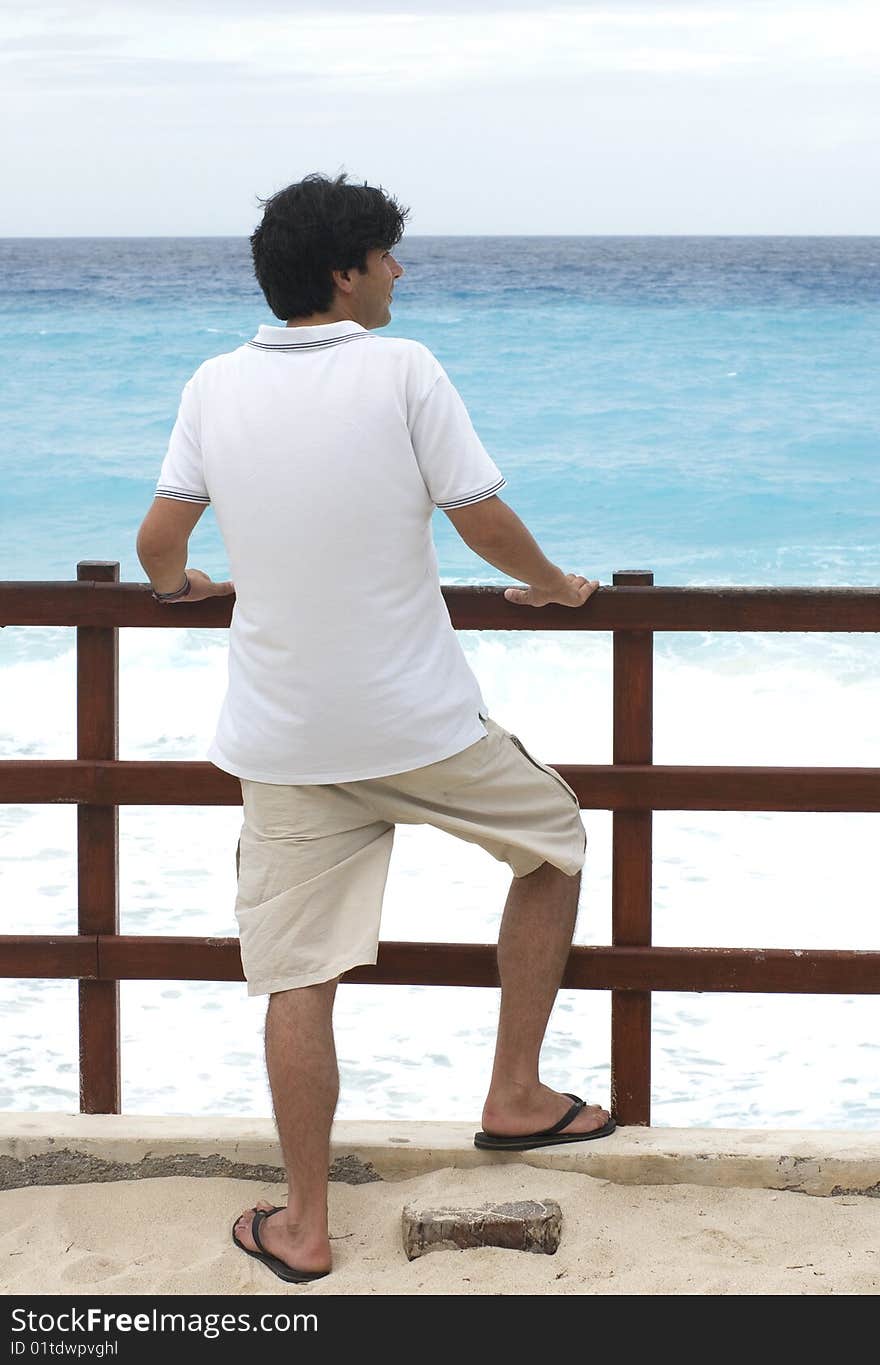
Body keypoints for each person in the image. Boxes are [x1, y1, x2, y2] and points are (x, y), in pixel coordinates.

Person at [135, 172, 612, 1286]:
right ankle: (515, 1092)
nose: (401, 272)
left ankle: (303, 1225)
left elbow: (160, 537)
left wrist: (182, 585)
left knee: (299, 976)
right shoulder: (402, 366)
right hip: (416, 725)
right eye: (389, 255)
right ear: (345, 271)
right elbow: (478, 513)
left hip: (285, 738)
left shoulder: (214, 382)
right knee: (554, 842)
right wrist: (552, 585)